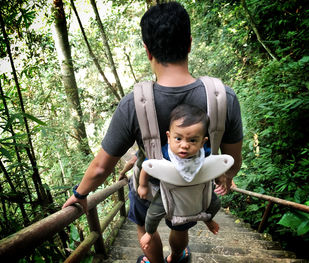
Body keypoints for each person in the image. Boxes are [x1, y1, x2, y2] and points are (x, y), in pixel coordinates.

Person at [62, 2, 243, 263]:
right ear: (189, 43)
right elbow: (232, 161)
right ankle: (178, 257)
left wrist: (79, 195)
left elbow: (101, 168)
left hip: (148, 189)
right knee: (180, 226)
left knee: (144, 226)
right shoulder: (222, 97)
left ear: (147, 50)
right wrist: (226, 177)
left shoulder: (133, 104)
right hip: (192, 189)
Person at [138, 104, 221, 252]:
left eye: (193, 141)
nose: (184, 145)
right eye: (178, 138)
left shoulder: (205, 152)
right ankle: (150, 233)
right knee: (152, 213)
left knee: (216, 204)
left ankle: (208, 219)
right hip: (169, 193)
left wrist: (223, 178)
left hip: (201, 189)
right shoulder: (164, 153)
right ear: (169, 137)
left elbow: (215, 165)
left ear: (203, 142)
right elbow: (147, 167)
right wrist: (143, 185)